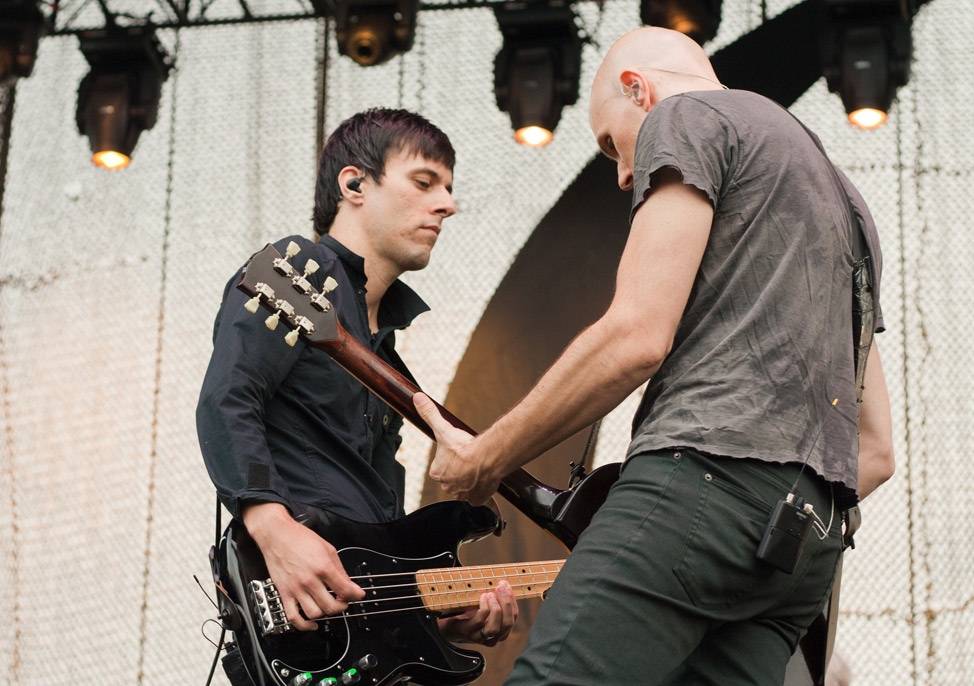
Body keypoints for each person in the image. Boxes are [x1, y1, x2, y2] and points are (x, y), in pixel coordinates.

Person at [414, 27, 894, 685]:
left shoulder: (687, 115)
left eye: (613, 143)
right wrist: (767, 509)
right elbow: (876, 450)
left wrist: (488, 456)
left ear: (638, 89)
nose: (620, 173)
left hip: (699, 485)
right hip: (805, 546)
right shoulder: (847, 204)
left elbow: (637, 336)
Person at [195, 108, 518, 667]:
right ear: (354, 184)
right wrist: (271, 528)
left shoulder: (386, 356)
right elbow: (228, 398)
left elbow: (380, 529)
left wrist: (436, 608)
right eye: (424, 183)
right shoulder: (299, 274)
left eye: (448, 188)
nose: (447, 204)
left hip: (357, 632)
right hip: (296, 608)